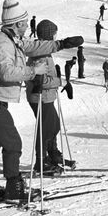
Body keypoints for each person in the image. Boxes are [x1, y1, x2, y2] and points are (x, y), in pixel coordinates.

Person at [0, 0, 83, 204]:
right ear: (14, 25)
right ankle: (15, 187)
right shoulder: (2, 44)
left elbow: (35, 46)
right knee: (13, 143)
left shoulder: (14, 39)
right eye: (23, 22)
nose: (26, 26)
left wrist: (61, 44)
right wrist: (34, 71)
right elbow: (6, 73)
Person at [25, 19, 64, 174]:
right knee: (45, 129)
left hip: (47, 97)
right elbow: (39, 80)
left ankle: (52, 155)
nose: (55, 37)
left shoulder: (43, 50)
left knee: (53, 125)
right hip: (40, 96)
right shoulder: (40, 53)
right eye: (54, 34)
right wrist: (60, 81)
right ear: (48, 35)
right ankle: (40, 162)